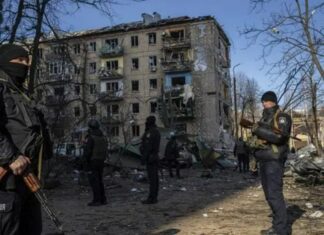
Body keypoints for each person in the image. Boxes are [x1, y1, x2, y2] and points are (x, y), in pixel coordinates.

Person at [0, 44, 52, 235]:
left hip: (28, 181)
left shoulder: (21, 94)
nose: (25, 64)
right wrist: (10, 157)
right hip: (6, 184)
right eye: (19, 60)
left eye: (27, 60)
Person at [252, 91, 292, 235]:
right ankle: (276, 227)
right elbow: (260, 138)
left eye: (266, 101)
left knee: (275, 195)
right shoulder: (264, 118)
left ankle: (282, 231)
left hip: (274, 161)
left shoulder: (282, 117)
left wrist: (259, 130)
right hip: (264, 160)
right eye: (263, 101)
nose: (263, 103)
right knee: (269, 196)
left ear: (273, 101)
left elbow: (279, 137)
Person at [83, 119, 108, 206]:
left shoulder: (91, 138)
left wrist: (85, 161)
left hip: (92, 161)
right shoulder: (103, 137)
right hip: (101, 161)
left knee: (94, 181)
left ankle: (97, 200)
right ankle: (103, 199)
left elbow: (87, 152)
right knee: (100, 180)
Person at [140, 116, 161, 204]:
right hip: (154, 157)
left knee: (152, 179)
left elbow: (148, 146)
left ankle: (152, 198)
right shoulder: (156, 131)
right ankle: (153, 197)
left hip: (151, 158)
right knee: (154, 178)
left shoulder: (150, 132)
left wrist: (144, 158)